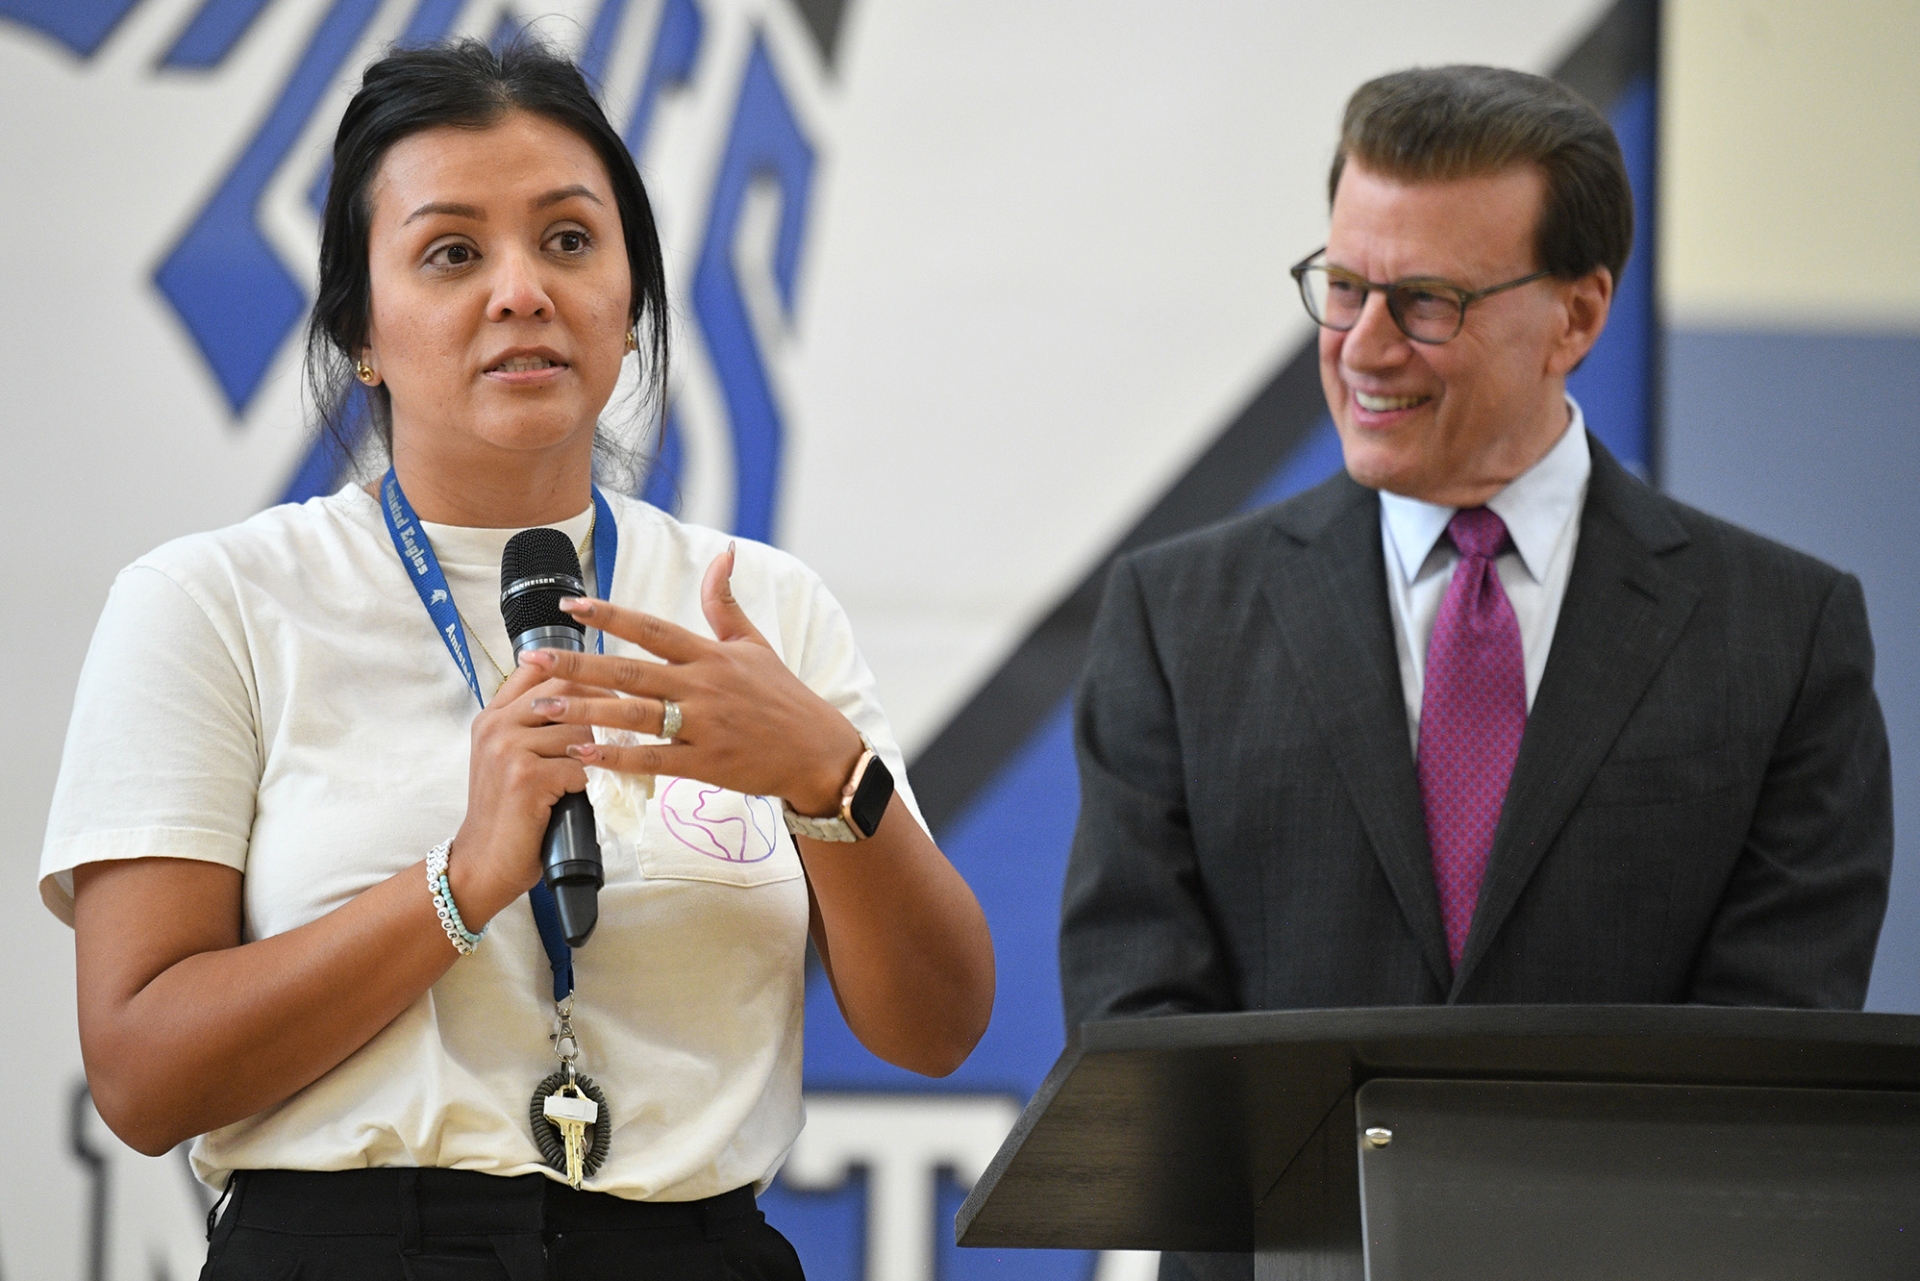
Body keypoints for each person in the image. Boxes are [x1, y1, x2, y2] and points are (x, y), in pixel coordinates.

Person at [41, 39, 993, 1281]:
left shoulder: (755, 607)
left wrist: (832, 780)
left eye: (568, 241)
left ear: (634, 299)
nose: (521, 292)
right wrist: (462, 879)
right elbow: (141, 1075)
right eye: (451, 252)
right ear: (361, 330)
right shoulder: (216, 601)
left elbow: (935, 1028)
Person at [1062, 65, 1892, 1273]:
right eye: (1343, 288)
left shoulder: (1785, 635)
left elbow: (1768, 1066)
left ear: (1579, 314)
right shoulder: (1175, 618)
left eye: (1428, 302)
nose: (1365, 349)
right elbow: (1142, 1034)